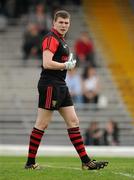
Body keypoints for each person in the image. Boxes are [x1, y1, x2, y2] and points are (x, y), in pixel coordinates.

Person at [24, 10, 108, 170]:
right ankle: (30, 163)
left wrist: (66, 64)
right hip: (50, 85)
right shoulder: (51, 38)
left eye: (66, 23)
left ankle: (86, 162)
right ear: (54, 23)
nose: (64, 25)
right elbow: (47, 63)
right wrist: (65, 65)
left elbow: (57, 63)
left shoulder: (62, 41)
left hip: (60, 85)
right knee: (42, 123)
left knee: (74, 121)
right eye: (61, 22)